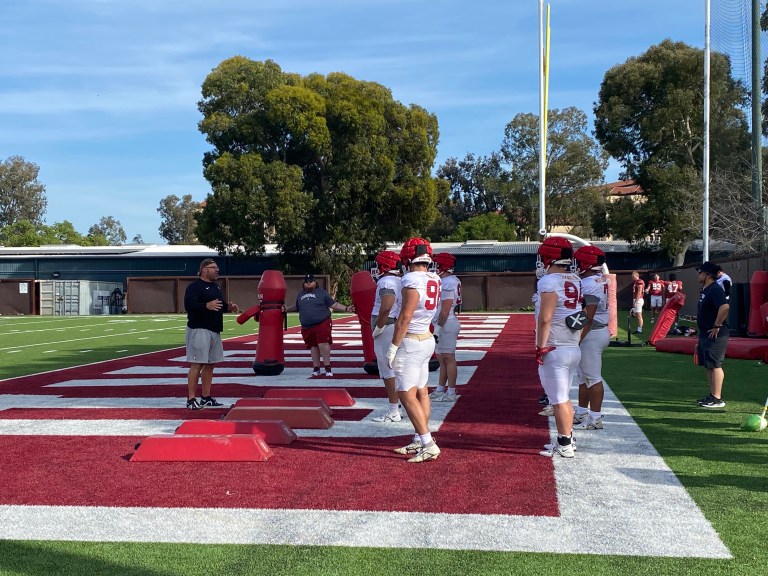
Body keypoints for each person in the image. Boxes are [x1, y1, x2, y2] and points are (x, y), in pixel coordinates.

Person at [387, 237, 442, 463]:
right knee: (421, 391)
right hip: (426, 337)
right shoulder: (435, 277)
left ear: (408, 257)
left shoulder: (411, 278)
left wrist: (393, 346)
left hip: (411, 341)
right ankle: (421, 439)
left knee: (406, 394)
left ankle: (428, 442)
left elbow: (405, 317)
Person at [535, 236, 582, 458]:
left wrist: (540, 347)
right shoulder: (576, 278)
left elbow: (545, 319)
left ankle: (564, 444)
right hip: (572, 345)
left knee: (558, 399)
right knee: (563, 396)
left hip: (555, 347)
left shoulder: (549, 281)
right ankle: (568, 439)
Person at [184, 258, 240, 410]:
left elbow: (219, 305)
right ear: (204, 269)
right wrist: (205, 306)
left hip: (214, 330)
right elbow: (188, 305)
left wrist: (229, 307)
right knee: (197, 364)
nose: (217, 270)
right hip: (199, 329)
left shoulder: (215, 287)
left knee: (210, 364)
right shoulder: (195, 287)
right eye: (213, 267)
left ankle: (206, 397)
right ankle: (191, 399)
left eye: (217, 267)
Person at [572, 246, 610, 431]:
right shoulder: (595, 279)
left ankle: (595, 417)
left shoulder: (590, 283)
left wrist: (577, 338)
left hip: (592, 333)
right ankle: (581, 412)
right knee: (583, 377)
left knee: (592, 377)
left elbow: (588, 315)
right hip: (596, 331)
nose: (575, 264)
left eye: (578, 261)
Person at [286, 274, 354, 378]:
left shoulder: (321, 292)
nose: (308, 283)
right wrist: (287, 309)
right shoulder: (300, 294)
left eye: (311, 281)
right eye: (306, 281)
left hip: (322, 322)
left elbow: (333, 304)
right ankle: (316, 368)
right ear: (303, 283)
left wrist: (346, 308)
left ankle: (328, 368)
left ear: (315, 282)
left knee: (323, 344)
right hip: (307, 326)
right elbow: (297, 306)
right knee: (313, 346)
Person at [370, 251, 403, 423]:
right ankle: (399, 407)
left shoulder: (387, 281)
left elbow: (386, 307)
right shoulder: (399, 280)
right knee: (396, 369)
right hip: (395, 325)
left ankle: (393, 410)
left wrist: (379, 327)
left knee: (387, 370)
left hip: (387, 326)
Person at [695, 261, 730, 408]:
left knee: (715, 364)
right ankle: (712, 395)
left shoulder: (715, 289)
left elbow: (725, 306)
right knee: (708, 365)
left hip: (716, 333)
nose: (698, 274)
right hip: (705, 333)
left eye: (700, 272)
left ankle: (717, 398)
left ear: (708, 275)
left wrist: (717, 325)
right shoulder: (705, 289)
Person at [429, 252, 462, 402]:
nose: (433, 268)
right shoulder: (448, 280)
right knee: (442, 358)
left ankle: (451, 391)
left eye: (436, 264)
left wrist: (437, 329)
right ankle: (441, 388)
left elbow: (445, 309)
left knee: (449, 358)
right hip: (443, 323)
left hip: (447, 323)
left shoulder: (448, 282)